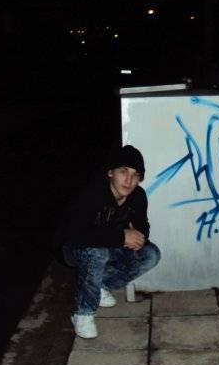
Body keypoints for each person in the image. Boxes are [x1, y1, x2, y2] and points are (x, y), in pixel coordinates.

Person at [53, 145, 161, 338]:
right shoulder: (91, 194)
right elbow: (77, 235)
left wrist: (137, 236)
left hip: (107, 244)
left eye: (135, 175)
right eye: (123, 172)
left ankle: (102, 285)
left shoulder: (137, 196)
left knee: (151, 254)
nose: (129, 180)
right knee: (97, 252)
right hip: (72, 248)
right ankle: (83, 313)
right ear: (110, 172)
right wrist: (121, 236)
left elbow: (142, 227)